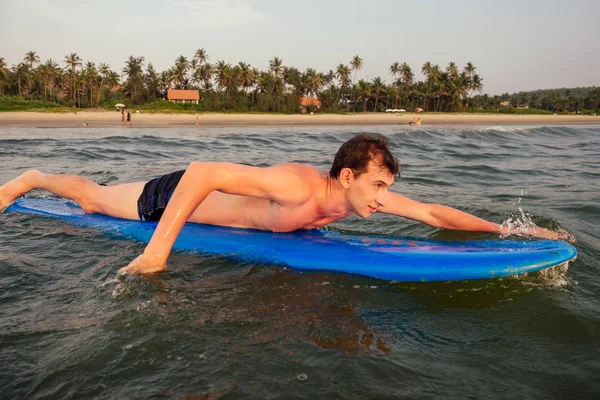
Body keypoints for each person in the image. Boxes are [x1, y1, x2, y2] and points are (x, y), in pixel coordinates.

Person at [0, 134, 572, 275]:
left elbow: (432, 215)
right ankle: (32, 178)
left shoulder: (356, 202)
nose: (383, 198)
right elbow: (201, 172)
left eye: (385, 188)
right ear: (346, 175)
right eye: (376, 185)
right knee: (96, 202)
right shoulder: (298, 185)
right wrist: (156, 255)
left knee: (99, 200)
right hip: (176, 196)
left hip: (213, 200)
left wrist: (502, 230)